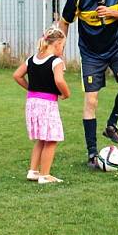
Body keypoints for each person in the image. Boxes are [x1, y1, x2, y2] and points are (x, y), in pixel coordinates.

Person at [59, 0, 118, 166]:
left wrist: (111, 12)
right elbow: (65, 22)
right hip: (91, 53)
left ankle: (111, 124)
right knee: (91, 102)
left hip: (116, 47)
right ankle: (92, 154)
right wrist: (59, 51)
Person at [12, 25, 71, 184]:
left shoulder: (32, 59)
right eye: (63, 47)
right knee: (51, 139)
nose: (63, 50)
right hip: (47, 104)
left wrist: (31, 88)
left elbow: (17, 75)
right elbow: (59, 80)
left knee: (41, 138)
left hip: (32, 103)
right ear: (57, 44)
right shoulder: (56, 61)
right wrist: (66, 93)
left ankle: (33, 171)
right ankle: (45, 175)